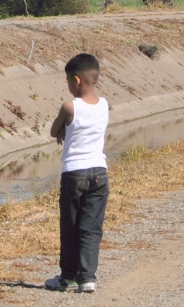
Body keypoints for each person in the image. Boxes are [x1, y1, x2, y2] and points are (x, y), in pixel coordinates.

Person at [46, 54, 110, 294]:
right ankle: (88, 278)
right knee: (91, 227)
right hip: (99, 173)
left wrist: (63, 128)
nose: (68, 86)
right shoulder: (104, 104)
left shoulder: (69, 106)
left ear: (76, 80)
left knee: (71, 226)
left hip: (75, 173)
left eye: (67, 81)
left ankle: (68, 277)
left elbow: (54, 131)